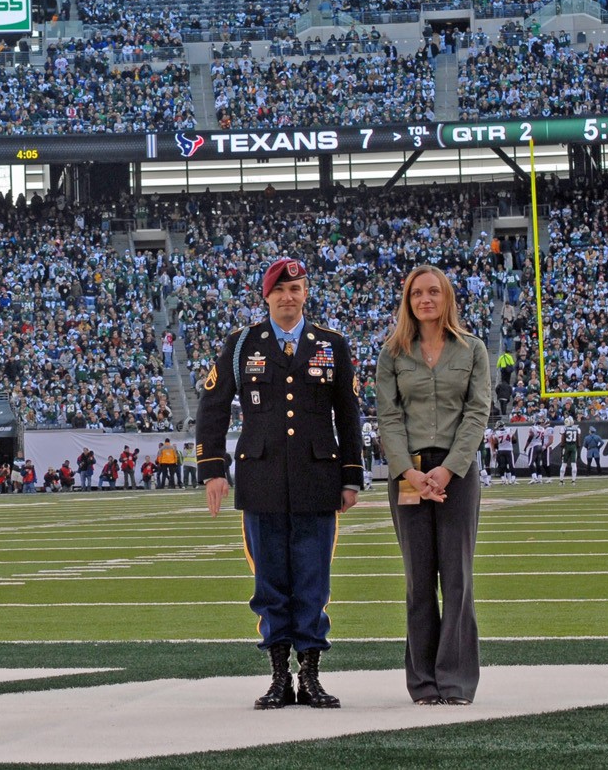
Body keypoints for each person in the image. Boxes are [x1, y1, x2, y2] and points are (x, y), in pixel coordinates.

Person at [196, 257, 362, 710]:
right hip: (261, 478)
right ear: (265, 296)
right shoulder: (240, 344)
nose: (289, 297)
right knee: (270, 581)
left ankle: (310, 676)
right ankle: (277, 677)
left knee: (312, 580)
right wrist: (213, 469)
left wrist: (351, 477)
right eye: (280, 291)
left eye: (297, 289)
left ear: (306, 293)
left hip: (316, 478)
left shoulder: (331, 344)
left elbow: (349, 415)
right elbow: (212, 407)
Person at [375, 265, 492, 707]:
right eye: (417, 293)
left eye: (433, 292)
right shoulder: (393, 353)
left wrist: (448, 470)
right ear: (408, 300)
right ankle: (423, 683)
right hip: (408, 474)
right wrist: (408, 471)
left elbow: (477, 412)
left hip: (455, 473)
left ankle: (456, 682)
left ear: (447, 298)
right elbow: (388, 417)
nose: (425, 299)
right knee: (418, 580)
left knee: (457, 578)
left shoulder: (473, 349)